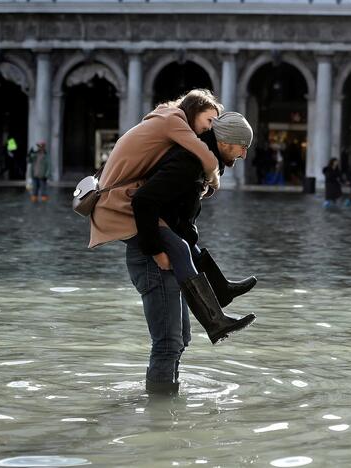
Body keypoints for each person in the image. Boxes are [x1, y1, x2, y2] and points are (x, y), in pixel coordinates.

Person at [88, 91, 254, 394]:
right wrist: (155, 252)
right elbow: (145, 201)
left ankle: (168, 408)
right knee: (168, 343)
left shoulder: (194, 157)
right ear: (227, 141)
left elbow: (179, 219)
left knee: (181, 340)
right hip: (152, 255)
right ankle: (159, 415)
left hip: (164, 250)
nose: (243, 154)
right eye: (242, 147)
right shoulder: (189, 155)